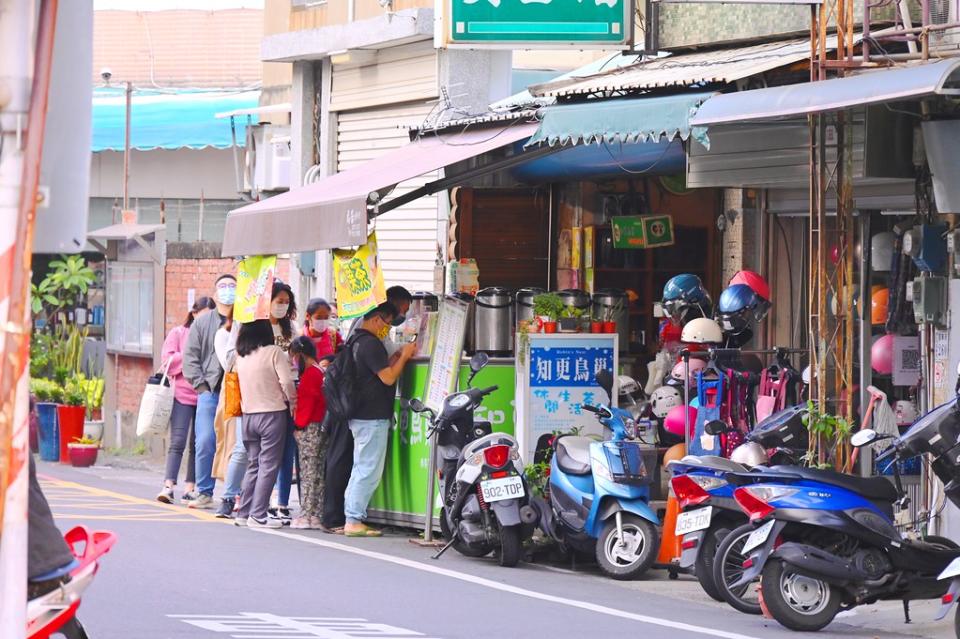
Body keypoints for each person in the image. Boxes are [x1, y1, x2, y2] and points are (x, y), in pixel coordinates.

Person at [343, 302, 416, 537]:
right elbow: (387, 378)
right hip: (372, 415)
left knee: (360, 466)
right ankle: (353, 519)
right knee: (367, 468)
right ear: (376, 320)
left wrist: (394, 356)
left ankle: (352, 515)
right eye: (386, 323)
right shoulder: (371, 344)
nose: (387, 328)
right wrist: (403, 356)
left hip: (359, 414)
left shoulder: (355, 340)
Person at [234, 319, 297, 528]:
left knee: (253, 464)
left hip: (248, 415)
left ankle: (243, 513)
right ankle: (258, 515)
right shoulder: (274, 352)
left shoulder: (240, 355)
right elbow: (287, 381)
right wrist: (292, 400)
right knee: (269, 465)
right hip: (272, 414)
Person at [183, 273, 236, 509]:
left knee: (238, 444)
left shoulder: (245, 320)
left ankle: (235, 493)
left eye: (232, 286)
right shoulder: (202, 323)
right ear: (215, 294)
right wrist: (202, 387)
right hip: (211, 391)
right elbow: (190, 358)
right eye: (222, 286)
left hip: (238, 390)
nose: (227, 290)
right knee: (205, 440)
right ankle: (204, 491)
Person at [157, 296, 216, 504]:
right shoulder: (179, 333)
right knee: (178, 441)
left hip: (204, 395)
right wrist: (190, 355)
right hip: (181, 395)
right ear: (194, 314)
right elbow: (168, 361)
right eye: (203, 316)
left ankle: (191, 487)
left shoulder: (214, 336)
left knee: (199, 443)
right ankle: (168, 485)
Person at [288, 337, 327, 529]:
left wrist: (298, 426)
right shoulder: (320, 371)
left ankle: (306, 514)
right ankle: (316, 513)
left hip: (308, 427)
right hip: (320, 428)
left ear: (301, 355)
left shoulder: (311, 374)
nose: (295, 361)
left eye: (295, 357)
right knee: (318, 471)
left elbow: (307, 403)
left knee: (308, 471)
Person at [269, 281, 298, 524]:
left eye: (286, 302)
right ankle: (265, 500)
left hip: (289, 391)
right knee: (267, 452)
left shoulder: (291, 330)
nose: (282, 306)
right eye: (278, 301)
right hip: (266, 394)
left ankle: (283, 503)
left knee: (287, 450)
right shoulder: (257, 328)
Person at [304, 297, 342, 363]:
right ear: (308, 316)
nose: (323, 321)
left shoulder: (333, 335)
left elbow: (342, 357)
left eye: (326, 317)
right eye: (319, 317)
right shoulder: (300, 337)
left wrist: (330, 361)